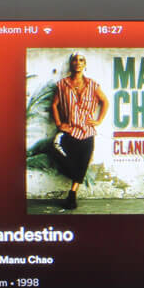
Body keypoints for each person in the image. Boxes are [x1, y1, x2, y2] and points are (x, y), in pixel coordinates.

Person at [51, 53, 109, 209]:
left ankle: (72, 194)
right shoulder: (62, 84)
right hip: (69, 130)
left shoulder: (93, 85)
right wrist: (59, 123)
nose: (78, 62)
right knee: (57, 152)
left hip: (87, 131)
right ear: (71, 64)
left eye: (81, 60)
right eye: (75, 60)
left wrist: (98, 121)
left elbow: (105, 101)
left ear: (85, 64)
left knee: (83, 162)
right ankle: (73, 190)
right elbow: (54, 105)